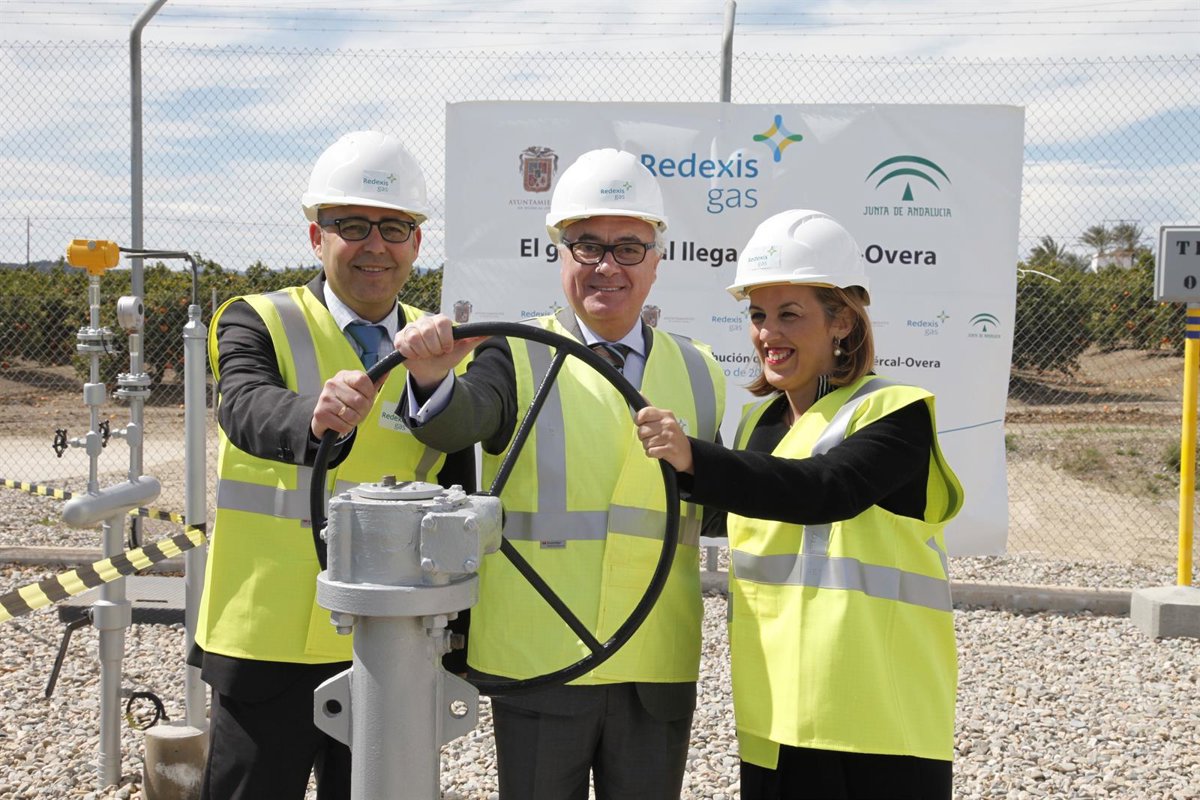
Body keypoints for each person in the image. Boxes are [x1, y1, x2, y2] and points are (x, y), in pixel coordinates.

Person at [394, 148, 726, 799]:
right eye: (587, 245)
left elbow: (714, 505)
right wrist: (432, 382)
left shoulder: (700, 370)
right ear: (560, 254)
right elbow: (460, 421)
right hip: (542, 661)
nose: (607, 265)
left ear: (657, 260)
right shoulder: (515, 352)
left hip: (654, 662)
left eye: (628, 247)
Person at [637, 209, 964, 800]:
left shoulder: (895, 412)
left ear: (842, 321)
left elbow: (824, 489)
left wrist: (695, 459)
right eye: (758, 315)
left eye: (790, 314)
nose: (768, 333)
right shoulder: (759, 424)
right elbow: (736, 504)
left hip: (877, 720)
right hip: (776, 710)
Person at [191, 130, 474, 800]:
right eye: (352, 226)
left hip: (392, 641)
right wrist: (315, 419)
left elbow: (459, 489)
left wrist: (458, 635)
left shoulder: (438, 346)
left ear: (416, 243)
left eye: (394, 228)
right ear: (317, 238)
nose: (375, 245)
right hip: (268, 641)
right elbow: (245, 405)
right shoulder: (258, 319)